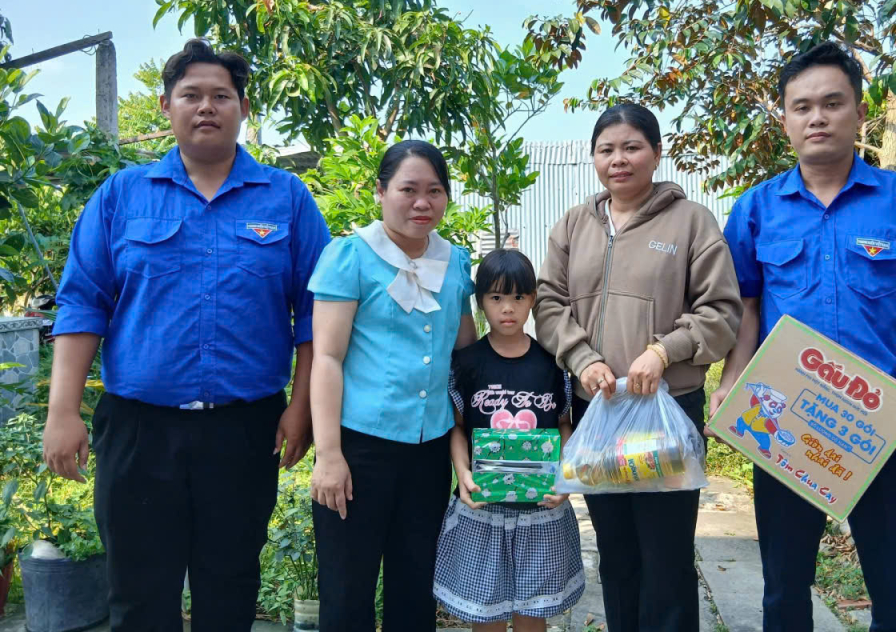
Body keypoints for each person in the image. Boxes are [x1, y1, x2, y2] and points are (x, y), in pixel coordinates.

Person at [42, 38, 330, 631]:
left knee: (230, 590)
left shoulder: (287, 198)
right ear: (166, 105)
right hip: (139, 431)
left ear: (243, 108)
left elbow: (316, 315)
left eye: (221, 96)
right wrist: (61, 412)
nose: (206, 107)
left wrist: (301, 407)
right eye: (191, 95)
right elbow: (83, 305)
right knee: (138, 597)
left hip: (244, 430)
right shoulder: (122, 196)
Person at [712, 42, 896, 632]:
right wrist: (731, 380)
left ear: (859, 112)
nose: (817, 118)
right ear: (784, 119)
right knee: (783, 591)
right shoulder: (756, 209)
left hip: (883, 422)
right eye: (801, 107)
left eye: (832, 103)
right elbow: (746, 306)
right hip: (787, 421)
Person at [534, 103, 743, 632]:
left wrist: (664, 350)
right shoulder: (574, 224)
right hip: (599, 411)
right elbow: (549, 303)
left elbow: (722, 312)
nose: (618, 159)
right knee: (617, 553)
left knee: (666, 556)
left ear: (656, 152)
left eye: (632, 147)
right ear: (593, 158)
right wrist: (582, 357)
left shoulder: (691, 221)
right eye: (606, 149)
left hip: (666, 413)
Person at [308, 140, 477, 632]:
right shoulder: (350, 256)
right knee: (347, 589)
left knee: (416, 587)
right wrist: (329, 455)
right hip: (359, 449)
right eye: (408, 190)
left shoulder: (455, 262)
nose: (422, 203)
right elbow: (327, 358)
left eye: (435, 191)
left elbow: (466, 353)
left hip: (429, 452)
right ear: (381, 192)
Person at [434, 249, 585, 631]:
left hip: (540, 510)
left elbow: (563, 425)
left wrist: (565, 477)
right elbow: (457, 427)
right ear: (481, 301)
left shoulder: (551, 363)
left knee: (533, 615)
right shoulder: (467, 363)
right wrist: (463, 475)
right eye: (496, 297)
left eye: (518, 297)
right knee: (486, 615)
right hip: (483, 508)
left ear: (533, 300)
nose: (507, 308)